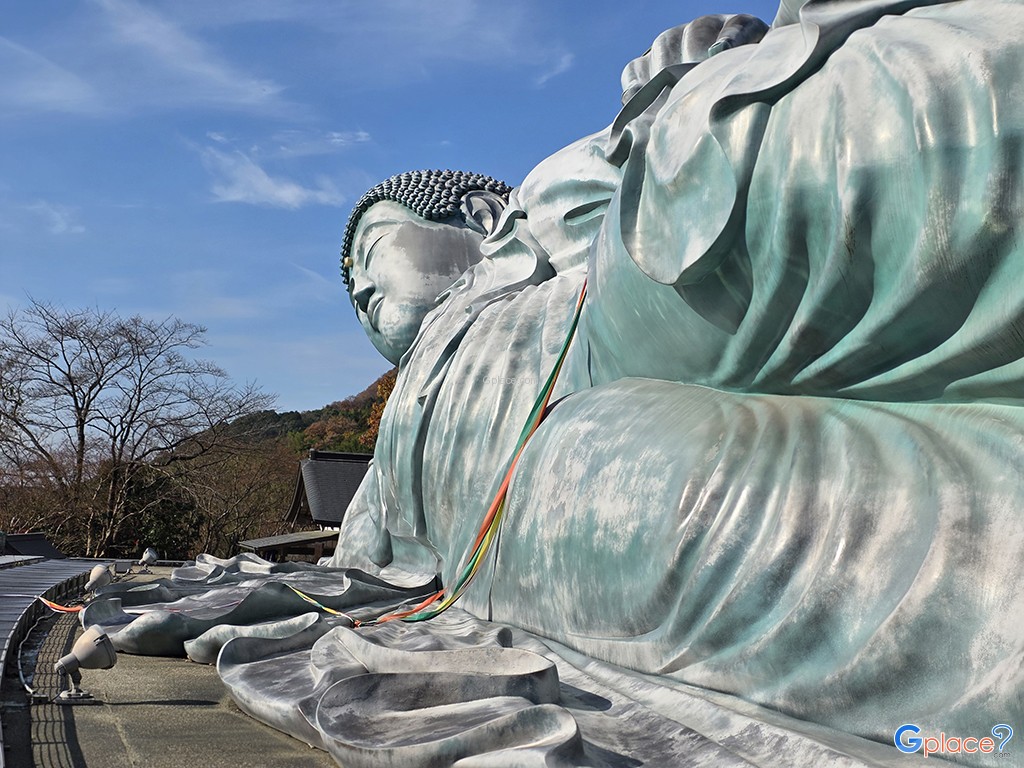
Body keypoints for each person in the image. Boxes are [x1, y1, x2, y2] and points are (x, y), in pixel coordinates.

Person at [87, 4, 1024, 765]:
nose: (362, 292)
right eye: (353, 296)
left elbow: (629, 171)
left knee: (750, 191)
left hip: (602, 317)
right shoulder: (409, 405)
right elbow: (362, 565)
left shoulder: (546, 209)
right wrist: (258, 593)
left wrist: (673, 93)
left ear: (482, 217)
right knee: (891, 552)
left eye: (372, 253)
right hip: (574, 474)